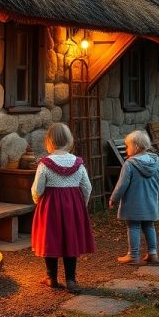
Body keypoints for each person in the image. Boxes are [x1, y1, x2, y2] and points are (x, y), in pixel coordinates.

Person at [30, 122, 95, 293]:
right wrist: (81, 206)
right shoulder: (78, 163)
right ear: (69, 141)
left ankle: (51, 278)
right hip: (73, 208)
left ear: (49, 142)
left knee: (50, 240)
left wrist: (37, 201)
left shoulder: (44, 164)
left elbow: (37, 189)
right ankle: (71, 280)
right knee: (70, 240)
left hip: (50, 208)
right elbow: (87, 187)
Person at [108, 129, 159, 266]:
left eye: (128, 146)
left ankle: (133, 255)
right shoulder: (155, 162)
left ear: (136, 147)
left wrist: (113, 198)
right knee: (149, 226)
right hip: (151, 201)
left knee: (133, 226)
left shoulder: (129, 164)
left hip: (134, 203)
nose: (127, 149)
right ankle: (153, 254)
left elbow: (122, 185)